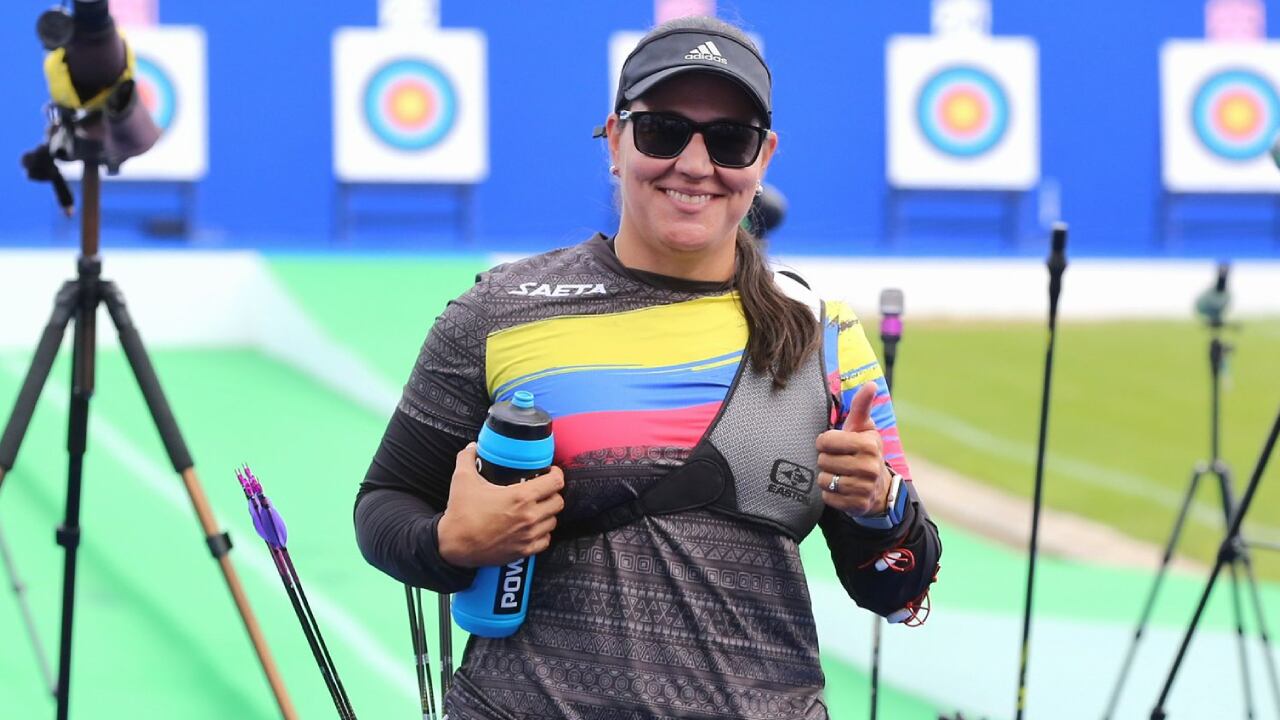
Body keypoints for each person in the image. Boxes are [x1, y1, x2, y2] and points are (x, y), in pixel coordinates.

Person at [355, 15, 941, 720]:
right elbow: (384, 503)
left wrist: (881, 509)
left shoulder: (823, 336)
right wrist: (450, 543)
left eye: (729, 139)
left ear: (764, 157)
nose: (695, 164)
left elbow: (896, 588)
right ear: (615, 139)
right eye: (663, 131)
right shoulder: (501, 310)